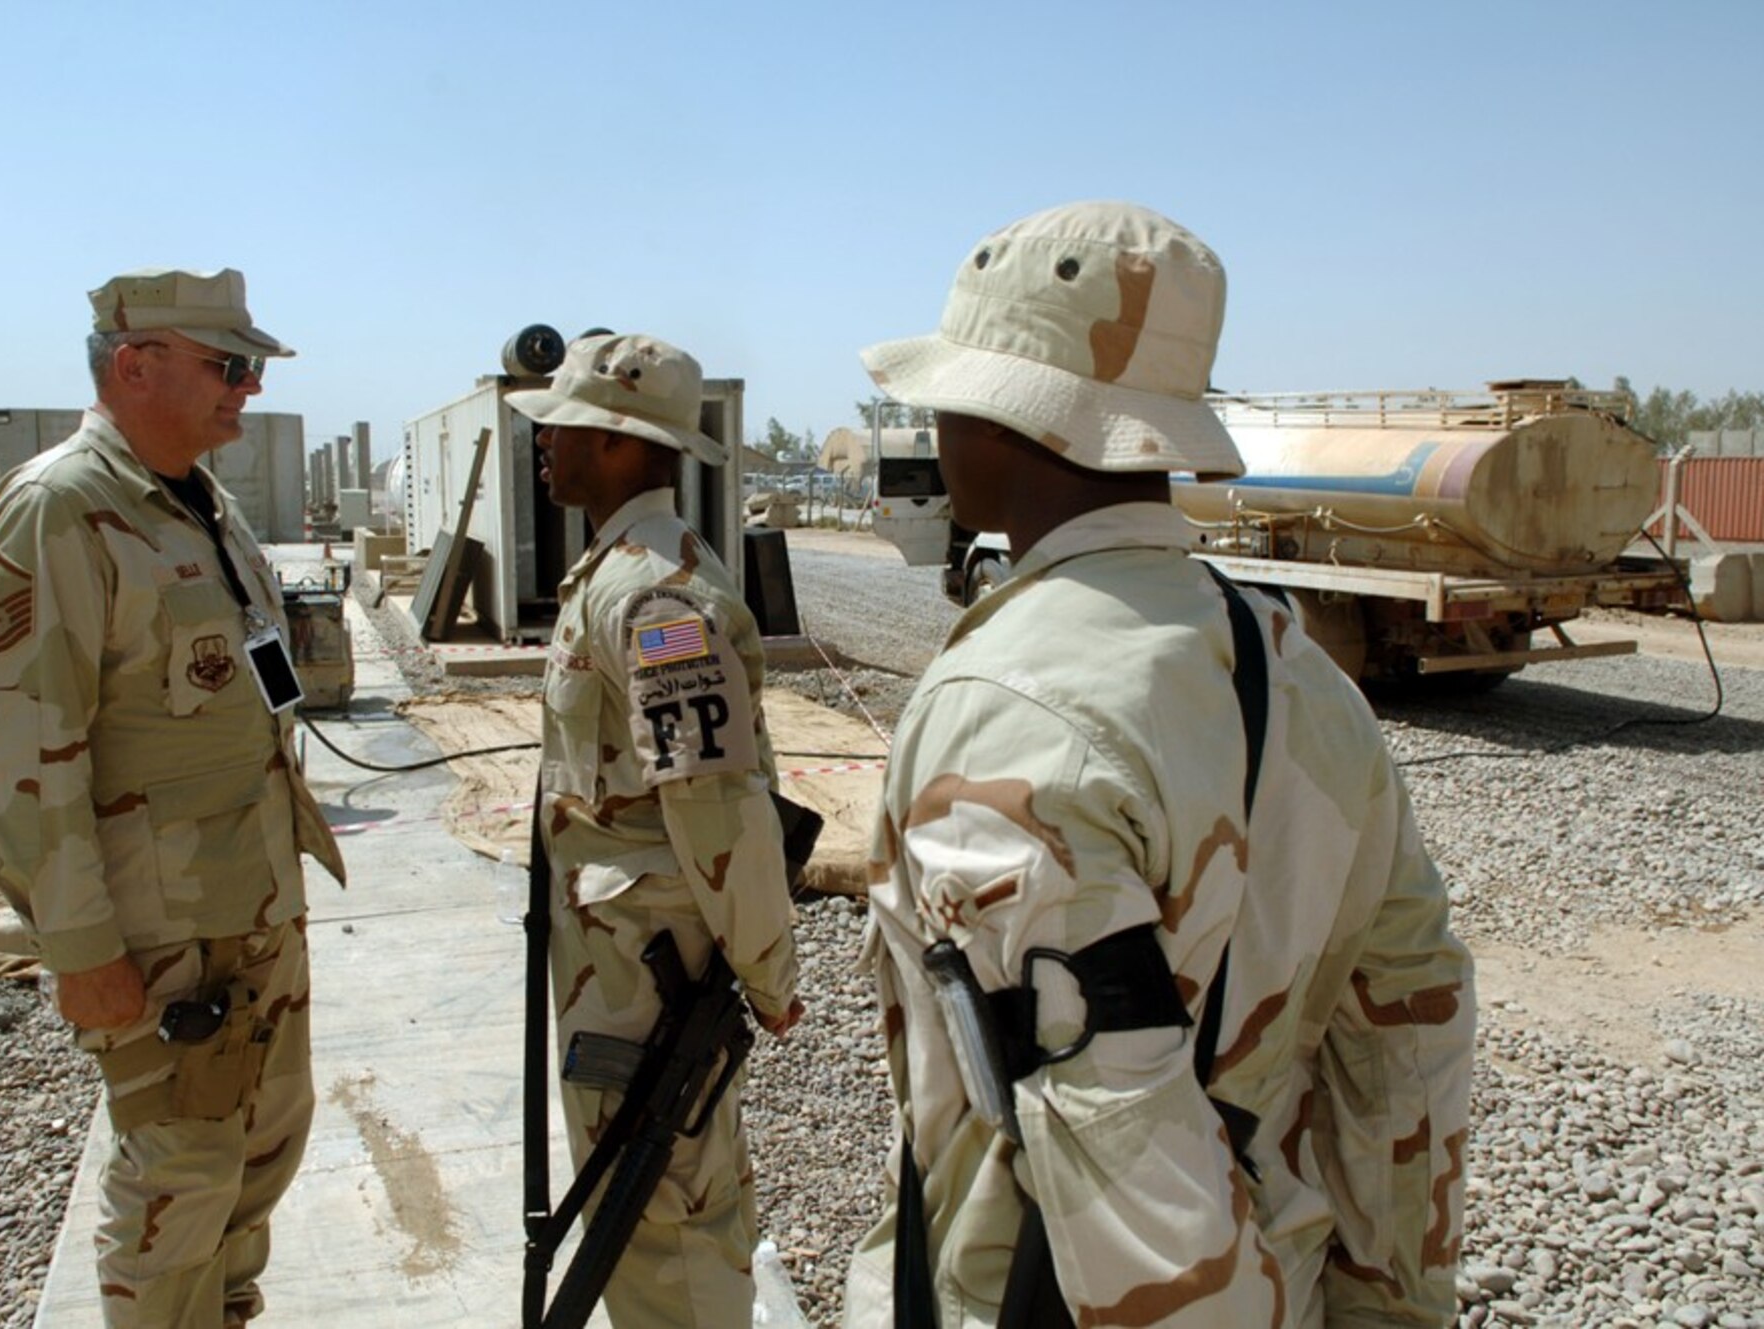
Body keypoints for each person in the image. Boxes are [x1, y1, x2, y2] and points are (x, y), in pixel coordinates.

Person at [842, 202, 1476, 1326]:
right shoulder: (1296, 670)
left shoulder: (999, 704)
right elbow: (1407, 1025)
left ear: (996, 420)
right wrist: (1393, 1306)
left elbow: (1110, 1148)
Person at [0, 268, 344, 1329]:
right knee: (175, 1186)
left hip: (251, 902)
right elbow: (24, 752)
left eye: (252, 368)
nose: (248, 389)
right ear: (135, 367)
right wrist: (81, 949)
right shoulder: (62, 510)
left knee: (258, 1158)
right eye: (230, 366)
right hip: (160, 930)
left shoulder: (199, 500)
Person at [510, 333, 805, 1327]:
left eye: (568, 427)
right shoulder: (616, 574)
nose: (545, 441)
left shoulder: (656, 598)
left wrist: (768, 973)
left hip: (652, 974)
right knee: (631, 1213)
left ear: (629, 445)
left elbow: (714, 805)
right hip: (617, 961)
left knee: (667, 1216)